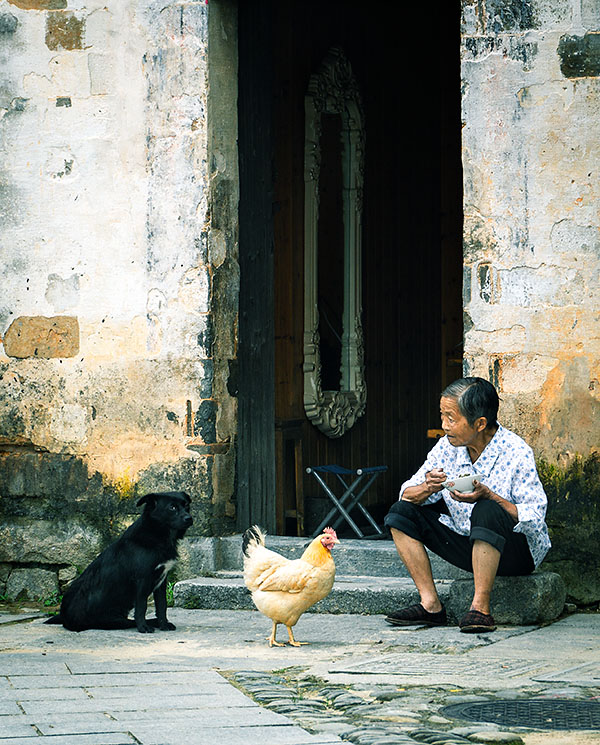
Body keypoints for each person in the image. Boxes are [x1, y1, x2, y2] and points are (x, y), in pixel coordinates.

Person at [384, 377, 550, 633]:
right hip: (466, 542)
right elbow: (407, 493)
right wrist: (429, 487)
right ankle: (431, 606)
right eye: (442, 416)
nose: (444, 425)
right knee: (400, 513)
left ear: (480, 423)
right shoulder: (447, 447)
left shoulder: (516, 452)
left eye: (451, 419)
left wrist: (491, 496)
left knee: (486, 509)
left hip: (516, 552)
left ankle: (480, 608)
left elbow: (535, 516)